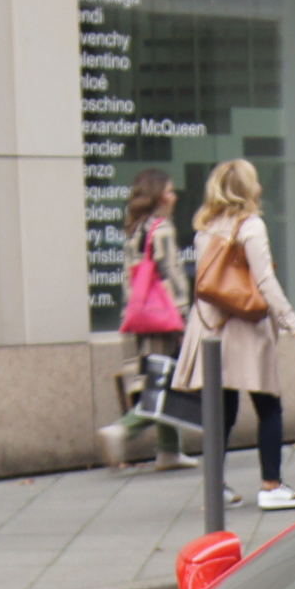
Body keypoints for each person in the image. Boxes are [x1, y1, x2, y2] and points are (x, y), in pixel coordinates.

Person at [175, 159, 295, 511]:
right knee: (268, 404)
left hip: (212, 324)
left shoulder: (205, 227)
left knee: (222, 410)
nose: (261, 188)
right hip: (246, 325)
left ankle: (216, 485)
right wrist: (294, 322)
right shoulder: (251, 225)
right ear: (248, 189)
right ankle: (271, 485)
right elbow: (264, 280)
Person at [116, 168, 188, 469]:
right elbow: (171, 274)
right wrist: (184, 315)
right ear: (158, 196)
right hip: (164, 320)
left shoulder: (135, 229)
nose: (174, 196)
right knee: (161, 384)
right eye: (170, 191)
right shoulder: (163, 229)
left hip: (140, 318)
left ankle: (169, 451)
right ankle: (122, 430)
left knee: (161, 379)